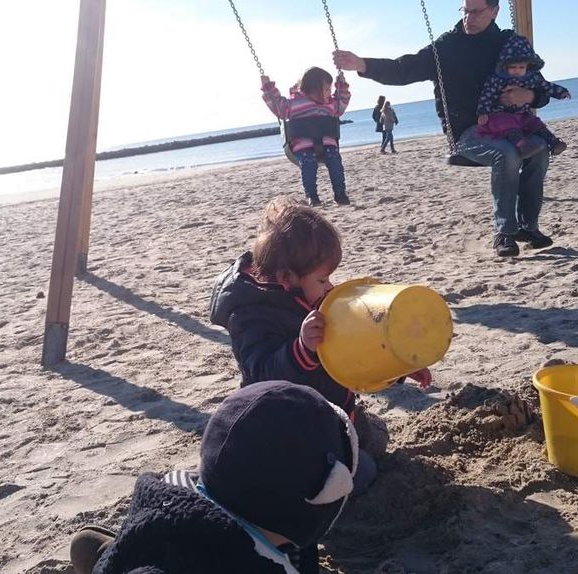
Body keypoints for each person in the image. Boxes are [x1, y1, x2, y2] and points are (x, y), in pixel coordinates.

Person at [208, 197, 432, 494]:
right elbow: (263, 375)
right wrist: (301, 349)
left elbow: (357, 346)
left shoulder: (315, 299)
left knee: (377, 440)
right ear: (286, 277)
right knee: (362, 474)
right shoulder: (250, 314)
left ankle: (350, 435)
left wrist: (401, 368)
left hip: (330, 408)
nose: (330, 286)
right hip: (286, 425)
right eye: (323, 279)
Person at [333, 0, 556, 257]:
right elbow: (403, 69)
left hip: (508, 125)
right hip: (467, 132)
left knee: (539, 149)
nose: (468, 18)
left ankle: (528, 227)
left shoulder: (510, 44)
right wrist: (362, 64)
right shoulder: (446, 47)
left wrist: (528, 96)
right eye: (465, 11)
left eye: (475, 12)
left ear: (494, 11)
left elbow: (540, 88)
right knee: (506, 153)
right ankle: (504, 233)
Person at [69, 381, 360, 574]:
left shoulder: (173, 493)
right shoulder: (254, 564)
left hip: (166, 543)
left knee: (142, 542)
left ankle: (112, 558)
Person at [261, 67, 351, 207]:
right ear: (314, 89)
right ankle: (312, 197)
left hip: (327, 143)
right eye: (327, 89)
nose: (330, 92)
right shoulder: (295, 103)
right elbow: (279, 106)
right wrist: (268, 88)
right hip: (303, 145)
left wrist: (342, 87)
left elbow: (341, 106)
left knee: (335, 161)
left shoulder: (330, 104)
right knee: (308, 163)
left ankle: (340, 195)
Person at [477, 36, 571, 156]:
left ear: (527, 66)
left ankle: (553, 142)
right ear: (506, 66)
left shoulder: (531, 78)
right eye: (513, 67)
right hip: (501, 113)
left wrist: (561, 92)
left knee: (535, 123)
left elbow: (545, 86)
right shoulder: (497, 79)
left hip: (523, 113)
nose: (517, 71)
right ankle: (522, 145)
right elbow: (487, 95)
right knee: (508, 126)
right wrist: (483, 112)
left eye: (521, 67)